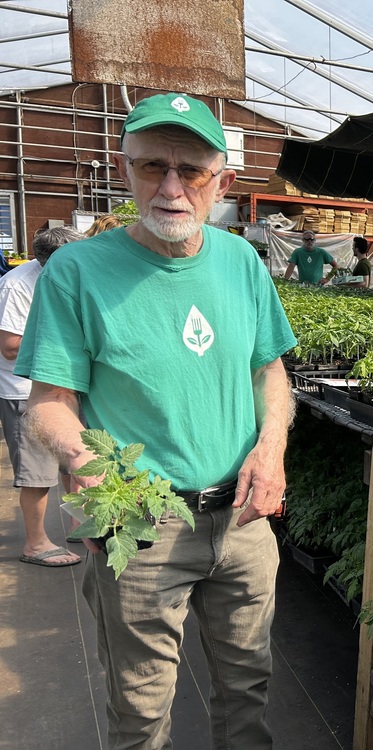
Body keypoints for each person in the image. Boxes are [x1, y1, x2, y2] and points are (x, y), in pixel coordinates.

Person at [15, 92, 297, 748]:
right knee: (140, 710)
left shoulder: (242, 264)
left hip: (242, 517)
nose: (171, 188)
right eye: (151, 168)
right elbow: (48, 403)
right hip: (138, 520)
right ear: (124, 169)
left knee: (247, 689)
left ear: (222, 180)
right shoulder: (78, 273)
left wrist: (273, 443)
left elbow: (269, 372)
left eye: (191, 170)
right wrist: (79, 456)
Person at [0, 226, 85, 567]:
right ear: (48, 261)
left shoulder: (63, 276)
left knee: (74, 459)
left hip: (63, 385)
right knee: (38, 472)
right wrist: (65, 337)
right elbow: (9, 347)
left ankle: (80, 524)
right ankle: (35, 544)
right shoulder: (18, 286)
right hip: (25, 393)